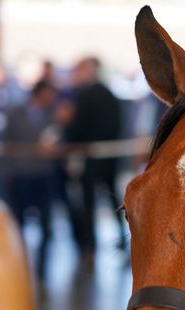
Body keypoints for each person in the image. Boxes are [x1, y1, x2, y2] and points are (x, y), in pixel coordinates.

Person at [63, 56, 125, 264]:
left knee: (89, 204)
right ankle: (123, 242)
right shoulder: (110, 95)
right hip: (108, 160)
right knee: (112, 199)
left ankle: (90, 248)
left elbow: (76, 128)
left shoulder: (84, 97)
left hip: (90, 159)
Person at [1, 80, 60, 279]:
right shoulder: (16, 113)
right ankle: (19, 265)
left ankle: (41, 271)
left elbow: (58, 141)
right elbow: (6, 142)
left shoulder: (52, 116)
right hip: (20, 175)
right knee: (18, 224)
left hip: (42, 176)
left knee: (46, 226)